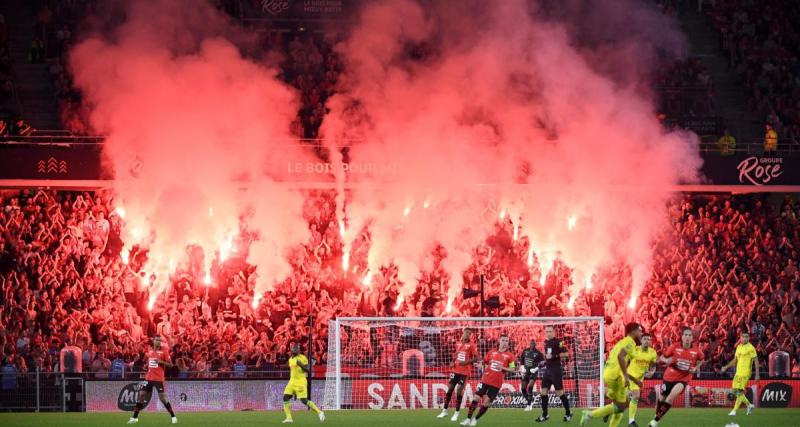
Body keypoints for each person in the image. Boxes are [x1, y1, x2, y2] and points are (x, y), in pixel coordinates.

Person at [580, 322, 642, 427]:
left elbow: (619, 360)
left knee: (621, 405)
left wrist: (633, 379)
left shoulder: (621, 342)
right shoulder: (630, 343)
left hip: (609, 373)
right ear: (633, 331)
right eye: (639, 330)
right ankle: (590, 414)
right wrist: (627, 377)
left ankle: (607, 410)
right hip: (616, 376)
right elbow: (620, 357)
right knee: (621, 406)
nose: (641, 333)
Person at [647, 327, 703, 427]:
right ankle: (657, 417)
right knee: (661, 400)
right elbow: (662, 357)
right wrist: (665, 361)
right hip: (669, 377)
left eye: (689, 335)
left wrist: (696, 368)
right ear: (682, 337)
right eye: (685, 335)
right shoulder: (674, 347)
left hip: (683, 378)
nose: (687, 337)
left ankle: (655, 421)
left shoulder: (697, 351)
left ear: (692, 338)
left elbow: (702, 359)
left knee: (670, 398)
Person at [460, 334, 516, 426]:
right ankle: (467, 419)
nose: (505, 342)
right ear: (499, 341)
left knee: (486, 403)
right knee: (476, 398)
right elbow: (484, 362)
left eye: (506, 341)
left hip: (496, 383)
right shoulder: (491, 352)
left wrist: (502, 367)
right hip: (485, 380)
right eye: (503, 340)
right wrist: (480, 364)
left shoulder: (510, 356)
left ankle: (475, 419)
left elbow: (513, 369)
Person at [128, 336, 177, 424]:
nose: (158, 342)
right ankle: (135, 417)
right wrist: (147, 366)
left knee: (162, 398)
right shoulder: (149, 350)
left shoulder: (164, 351)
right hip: (149, 378)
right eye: (156, 340)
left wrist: (161, 362)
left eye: (159, 340)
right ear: (154, 341)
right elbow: (149, 361)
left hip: (158, 379)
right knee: (142, 395)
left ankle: (173, 416)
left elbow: (171, 365)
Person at [438, 328, 478, 421]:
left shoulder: (472, 345)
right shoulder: (458, 343)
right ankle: (444, 411)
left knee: (459, 390)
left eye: (469, 333)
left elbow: (476, 358)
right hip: (455, 370)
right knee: (450, 389)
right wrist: (452, 362)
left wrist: (466, 362)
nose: (467, 334)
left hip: (464, 372)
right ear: (463, 333)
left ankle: (456, 413)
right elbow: (455, 355)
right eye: (466, 332)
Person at [536, 325, 572, 422]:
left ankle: (568, 413)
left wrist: (554, 356)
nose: (548, 333)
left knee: (559, 393)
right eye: (547, 331)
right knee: (543, 392)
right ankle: (545, 414)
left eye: (550, 331)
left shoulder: (558, 342)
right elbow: (548, 357)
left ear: (554, 332)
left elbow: (566, 354)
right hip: (547, 371)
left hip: (556, 371)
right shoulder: (546, 342)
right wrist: (543, 362)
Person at [282, 343, 324, 424]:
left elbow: (308, 369)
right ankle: (289, 418)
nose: (296, 350)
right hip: (292, 382)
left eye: (297, 348)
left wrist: (301, 365)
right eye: (294, 348)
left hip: (300, 382)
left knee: (304, 400)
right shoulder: (290, 359)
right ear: (291, 350)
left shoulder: (302, 358)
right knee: (285, 397)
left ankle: (320, 412)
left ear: (299, 350)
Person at [719, 330, 758, 416]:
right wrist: (726, 367)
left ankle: (734, 411)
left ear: (749, 338)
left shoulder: (751, 348)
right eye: (743, 337)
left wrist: (757, 375)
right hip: (738, 372)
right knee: (735, 391)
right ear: (740, 338)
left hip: (745, 373)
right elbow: (735, 360)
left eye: (746, 337)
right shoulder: (739, 347)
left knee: (739, 391)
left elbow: (756, 360)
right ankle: (749, 405)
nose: (744, 338)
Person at [626, 332, 657, 427]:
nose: (647, 341)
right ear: (641, 341)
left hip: (639, 380)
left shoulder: (652, 353)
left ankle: (608, 411)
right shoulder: (634, 350)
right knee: (636, 396)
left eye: (649, 339)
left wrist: (652, 372)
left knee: (623, 402)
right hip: (629, 377)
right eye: (645, 339)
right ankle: (631, 421)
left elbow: (653, 365)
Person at [519, 339, 544, 412]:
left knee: (530, 386)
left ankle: (529, 405)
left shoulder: (538, 353)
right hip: (525, 372)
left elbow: (543, 362)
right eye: (531, 343)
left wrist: (536, 368)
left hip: (533, 372)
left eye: (533, 343)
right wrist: (522, 367)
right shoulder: (525, 351)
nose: (532, 345)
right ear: (529, 344)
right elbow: (522, 360)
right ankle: (529, 401)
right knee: (523, 388)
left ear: (535, 344)